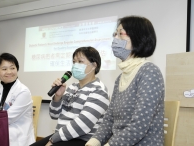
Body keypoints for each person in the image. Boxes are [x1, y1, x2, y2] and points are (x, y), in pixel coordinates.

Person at [86, 16, 165, 146]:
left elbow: (139, 126)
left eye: (120, 34)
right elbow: (109, 119)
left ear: (138, 38)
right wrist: (93, 142)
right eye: (115, 34)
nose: (115, 39)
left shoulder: (149, 72)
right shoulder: (120, 78)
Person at [30, 46, 110, 146]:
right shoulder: (72, 87)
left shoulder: (99, 90)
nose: (76, 65)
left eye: (80, 61)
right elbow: (54, 115)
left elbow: (83, 125)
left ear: (94, 65)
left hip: (84, 139)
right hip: (63, 136)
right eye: (74, 62)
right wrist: (57, 97)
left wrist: (53, 140)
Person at [0, 53, 35, 146]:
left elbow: (8, 118)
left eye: (12, 68)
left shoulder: (23, 91)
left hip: (17, 138)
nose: (9, 72)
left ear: (17, 69)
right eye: (4, 69)